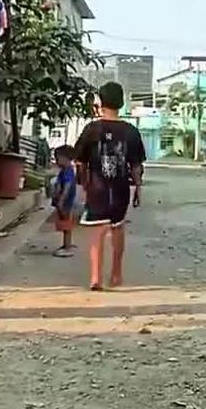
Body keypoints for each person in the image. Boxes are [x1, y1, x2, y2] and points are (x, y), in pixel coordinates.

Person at [74, 81, 146, 290]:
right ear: (121, 102)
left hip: (97, 188)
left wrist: (84, 184)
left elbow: (80, 162)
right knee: (117, 227)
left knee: (97, 231)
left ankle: (95, 277)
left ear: (100, 102)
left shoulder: (91, 129)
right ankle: (116, 274)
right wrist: (138, 188)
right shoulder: (131, 131)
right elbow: (136, 165)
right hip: (120, 189)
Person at [51, 144, 77, 257]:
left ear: (66, 158)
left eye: (58, 158)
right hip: (63, 201)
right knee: (64, 223)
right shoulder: (65, 171)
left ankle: (67, 247)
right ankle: (66, 245)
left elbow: (67, 186)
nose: (56, 161)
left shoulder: (67, 171)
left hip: (65, 202)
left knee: (66, 224)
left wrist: (61, 200)